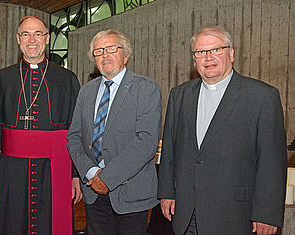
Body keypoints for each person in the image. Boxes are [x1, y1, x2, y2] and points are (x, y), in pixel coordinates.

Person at [158, 26, 287, 235]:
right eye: (200, 52)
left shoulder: (262, 97)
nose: (208, 58)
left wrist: (267, 213)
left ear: (231, 53)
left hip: (236, 217)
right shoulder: (179, 95)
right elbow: (171, 150)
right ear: (194, 59)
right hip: (186, 213)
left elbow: (272, 162)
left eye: (217, 49)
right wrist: (166, 193)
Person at [0, 16, 82, 235]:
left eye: (38, 34)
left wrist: (76, 175)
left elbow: (77, 132)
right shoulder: (1, 79)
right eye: (26, 34)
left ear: (46, 39)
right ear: (18, 40)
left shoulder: (67, 79)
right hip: (11, 170)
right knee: (12, 224)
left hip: (55, 169)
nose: (32, 39)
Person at [67, 29, 162, 235]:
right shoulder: (86, 91)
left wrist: (107, 178)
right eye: (99, 51)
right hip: (93, 190)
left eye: (111, 49)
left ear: (125, 55)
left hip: (130, 192)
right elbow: (74, 137)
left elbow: (146, 141)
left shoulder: (146, 89)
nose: (105, 55)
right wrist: (91, 172)